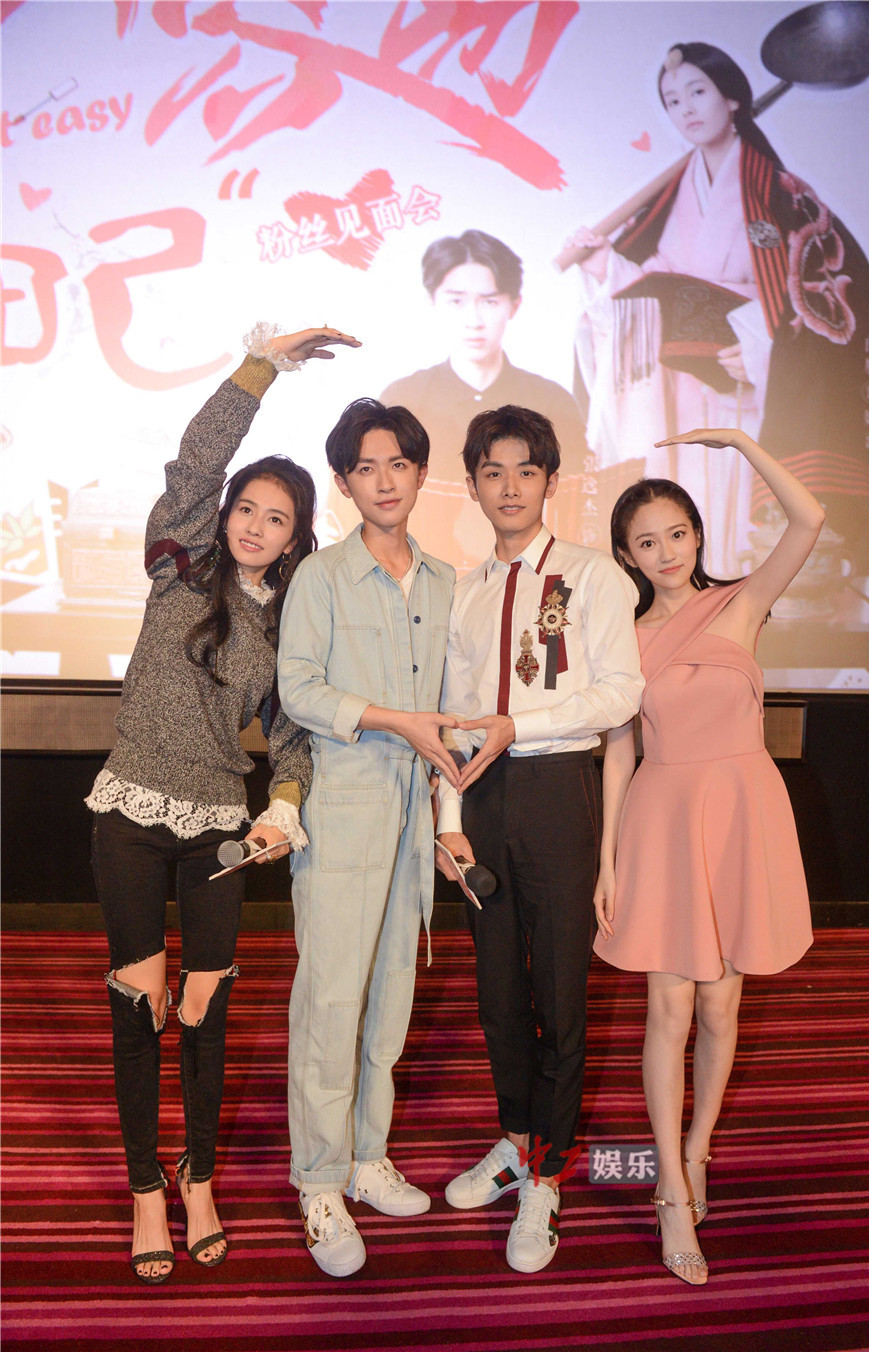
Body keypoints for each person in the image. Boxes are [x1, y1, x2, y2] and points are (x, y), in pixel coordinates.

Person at [87, 324, 361, 1284]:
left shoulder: (289, 627)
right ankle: (145, 1190)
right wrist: (261, 369)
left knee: (204, 1009)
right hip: (128, 812)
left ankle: (197, 1177)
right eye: (246, 507)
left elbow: (291, 738)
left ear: (296, 536)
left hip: (217, 827)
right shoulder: (180, 563)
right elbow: (196, 457)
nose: (253, 525)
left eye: (275, 518)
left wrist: (283, 805)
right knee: (140, 1008)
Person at [594, 426, 824, 1285]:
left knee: (723, 1009)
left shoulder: (741, 604)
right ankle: (667, 1190)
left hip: (742, 812)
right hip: (663, 818)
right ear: (626, 553)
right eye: (647, 541)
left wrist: (740, 442)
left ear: (697, 535)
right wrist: (610, 861)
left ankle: (697, 1152)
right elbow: (618, 752)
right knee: (670, 1008)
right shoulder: (622, 635)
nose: (666, 552)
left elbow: (809, 519)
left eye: (678, 533)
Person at [435, 404, 643, 1273]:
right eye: (493, 471)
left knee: (559, 993)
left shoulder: (594, 576)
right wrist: (449, 824)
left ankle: (548, 1176)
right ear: (473, 485)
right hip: (479, 799)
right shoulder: (464, 588)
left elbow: (620, 693)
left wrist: (520, 725)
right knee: (495, 996)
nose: (510, 486)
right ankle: (516, 1140)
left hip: (558, 790)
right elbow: (450, 717)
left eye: (526, 469)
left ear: (551, 480)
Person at [569, 41, 869, 587]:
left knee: (736, 528)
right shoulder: (671, 196)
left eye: (698, 92)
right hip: (677, 391)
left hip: (748, 387)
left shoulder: (781, 194)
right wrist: (605, 266)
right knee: (677, 516)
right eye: (674, 101)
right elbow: (657, 281)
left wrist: (764, 346)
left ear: (733, 99)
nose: (687, 109)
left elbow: (819, 297)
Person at [277, 396, 457, 1277]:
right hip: (344, 810)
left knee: (391, 997)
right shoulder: (321, 576)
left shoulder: (447, 580)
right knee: (330, 1001)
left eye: (398, 464)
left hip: (416, 813)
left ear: (421, 474)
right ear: (344, 483)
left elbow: (454, 708)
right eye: (365, 468)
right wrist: (394, 720)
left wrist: (449, 810)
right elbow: (299, 689)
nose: (384, 481)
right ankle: (317, 1179)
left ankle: (366, 1156)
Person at [325, 230, 590, 568]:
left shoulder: (553, 401)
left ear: (514, 304)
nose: (474, 320)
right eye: (456, 301)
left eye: (489, 301)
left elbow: (579, 504)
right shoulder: (403, 396)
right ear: (432, 302)